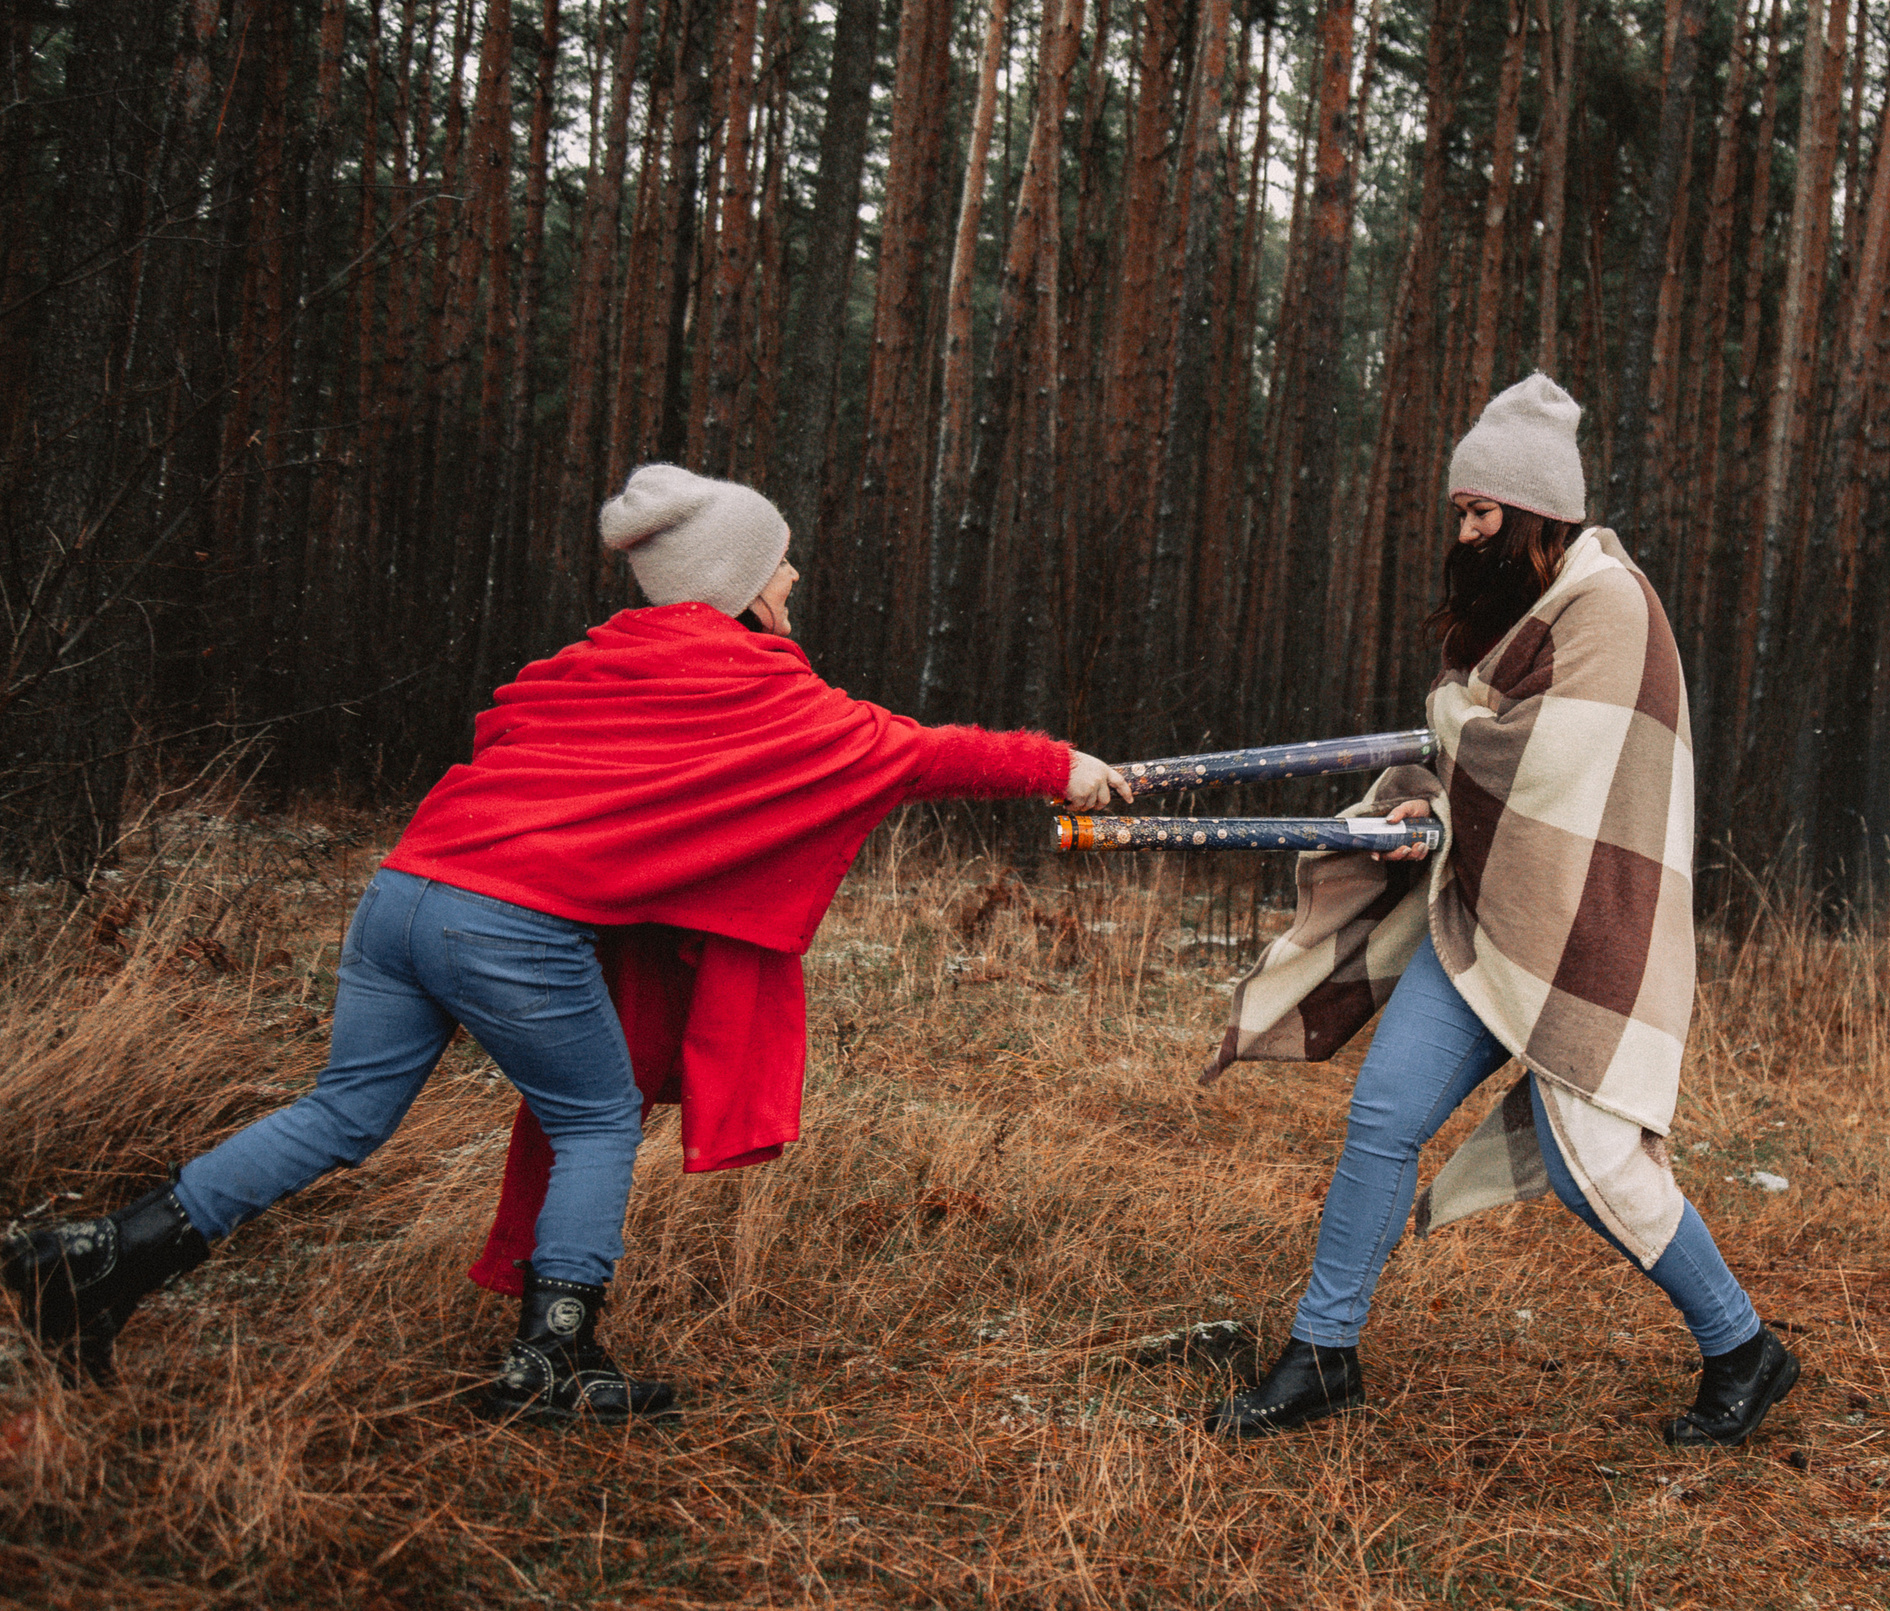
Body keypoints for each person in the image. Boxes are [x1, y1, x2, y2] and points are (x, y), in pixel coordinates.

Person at [3, 463, 1128, 1420]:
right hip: (503, 923)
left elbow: (522, 750)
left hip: (402, 892)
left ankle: (102, 1257)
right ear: (737, 582)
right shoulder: (753, 689)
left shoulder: (599, 663)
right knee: (596, 1116)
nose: (793, 577)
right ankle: (554, 1359)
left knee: (343, 1113)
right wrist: (1057, 766)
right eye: (781, 561)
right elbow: (912, 754)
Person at [1197, 374, 1797, 1447]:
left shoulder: (1611, 607)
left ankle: (1743, 1348)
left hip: (1588, 927)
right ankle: (1322, 1354)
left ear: (1534, 513)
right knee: (1384, 1117)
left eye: (1480, 513)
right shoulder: (1506, 616)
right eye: (1461, 512)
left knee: (1586, 1167)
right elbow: (1478, 763)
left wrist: (1451, 748)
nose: (1465, 532)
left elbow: (1544, 764)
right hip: (1482, 916)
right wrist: (1429, 799)